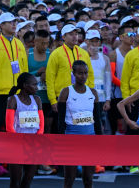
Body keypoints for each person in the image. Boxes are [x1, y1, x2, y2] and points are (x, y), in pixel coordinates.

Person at [58, 60, 102, 188]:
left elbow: (97, 119)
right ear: (73, 74)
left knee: (88, 178)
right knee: (69, 178)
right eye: (80, 73)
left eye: (85, 73)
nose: (83, 76)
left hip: (90, 140)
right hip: (71, 140)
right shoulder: (66, 92)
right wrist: (60, 140)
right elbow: (60, 120)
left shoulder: (93, 93)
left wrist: (101, 139)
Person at [0, 12, 29, 131]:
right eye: (10, 22)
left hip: (17, 93)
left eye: (15, 22)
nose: (14, 24)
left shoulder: (19, 44)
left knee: (16, 126)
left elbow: (24, 70)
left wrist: (25, 90)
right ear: (1, 25)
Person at [7, 72, 44, 188]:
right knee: (15, 182)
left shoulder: (37, 100)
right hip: (17, 145)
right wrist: (19, 141)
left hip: (33, 145)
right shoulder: (13, 100)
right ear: (25, 85)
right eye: (34, 85)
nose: (37, 87)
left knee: (27, 181)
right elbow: (9, 126)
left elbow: (41, 124)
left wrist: (37, 139)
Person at [46, 24, 94, 112]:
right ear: (63, 37)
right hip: (63, 97)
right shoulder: (56, 54)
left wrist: (90, 93)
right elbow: (50, 78)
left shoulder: (84, 53)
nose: (75, 36)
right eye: (71, 34)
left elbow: (90, 74)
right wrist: (53, 100)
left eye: (76, 34)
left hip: (83, 95)